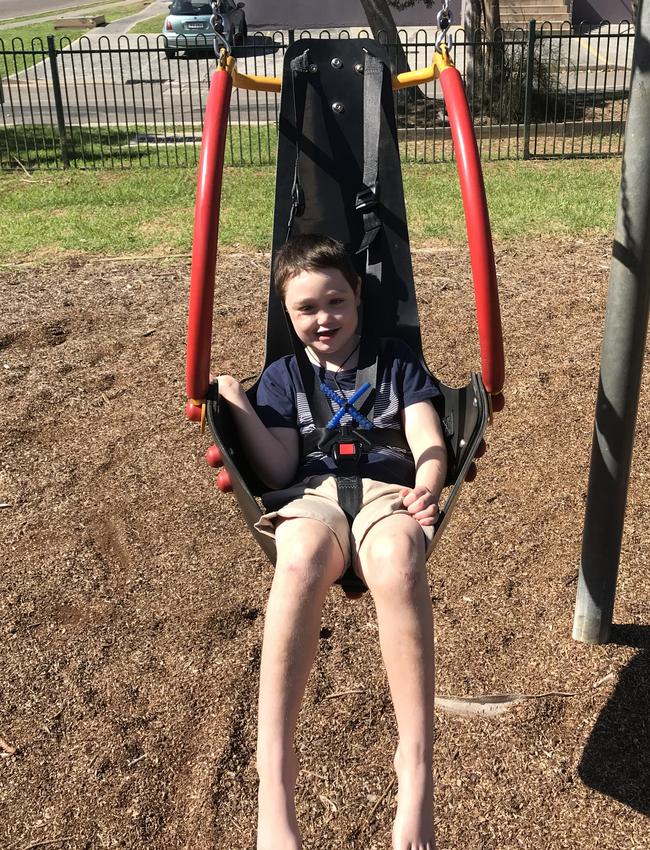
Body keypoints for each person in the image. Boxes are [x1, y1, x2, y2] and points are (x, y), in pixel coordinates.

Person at [216, 233, 447, 850]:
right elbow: (277, 466)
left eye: (336, 302)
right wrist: (239, 406)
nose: (324, 319)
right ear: (286, 316)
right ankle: (275, 781)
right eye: (306, 309)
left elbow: (427, 435)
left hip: (386, 492)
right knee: (299, 557)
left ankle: (416, 771)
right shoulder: (283, 376)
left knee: (398, 561)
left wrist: (427, 484)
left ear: (358, 296)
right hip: (314, 494)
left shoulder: (397, 361)